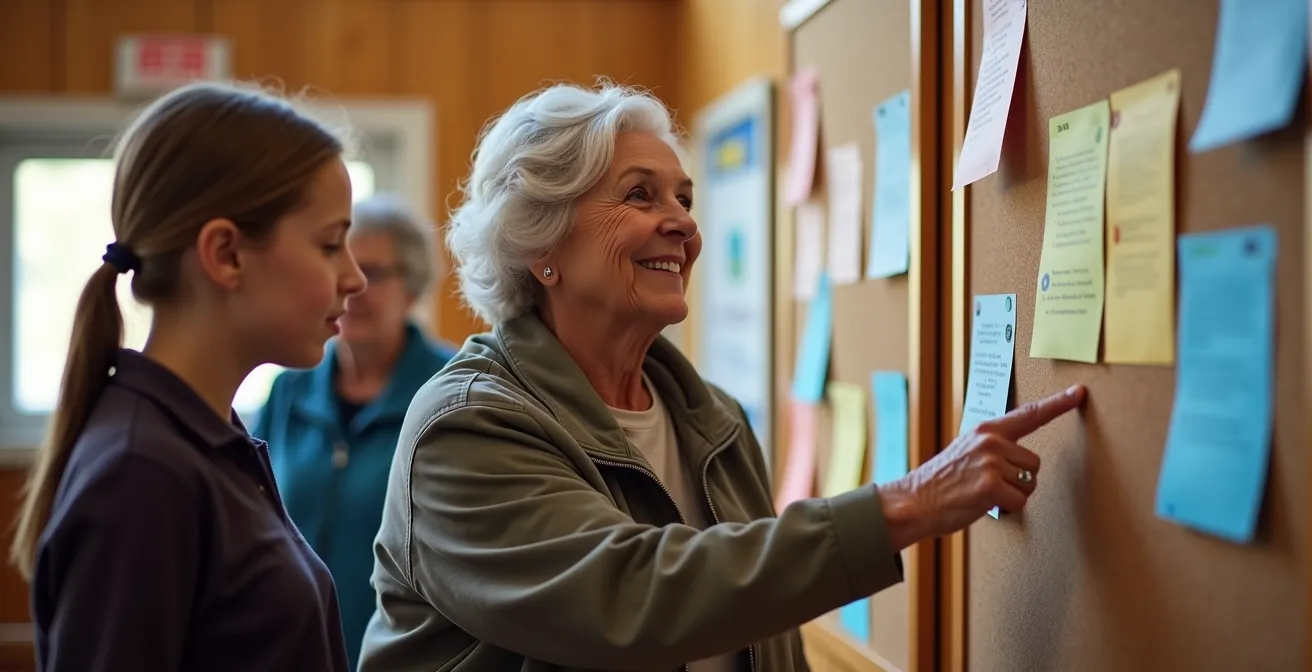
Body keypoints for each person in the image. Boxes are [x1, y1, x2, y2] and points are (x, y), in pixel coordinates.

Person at [358, 82, 1087, 671]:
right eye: (640, 195)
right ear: (539, 244)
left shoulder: (715, 421)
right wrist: (910, 503)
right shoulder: (467, 424)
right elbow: (634, 596)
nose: (682, 223)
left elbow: (767, 637)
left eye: (684, 198)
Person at [9, 81, 366, 672]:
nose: (354, 278)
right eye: (330, 244)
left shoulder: (209, 438)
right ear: (226, 254)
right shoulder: (141, 472)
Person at [254, 194, 456, 669]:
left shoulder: (451, 391)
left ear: (411, 289)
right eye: (337, 265)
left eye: (374, 273)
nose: (351, 288)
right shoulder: (288, 390)